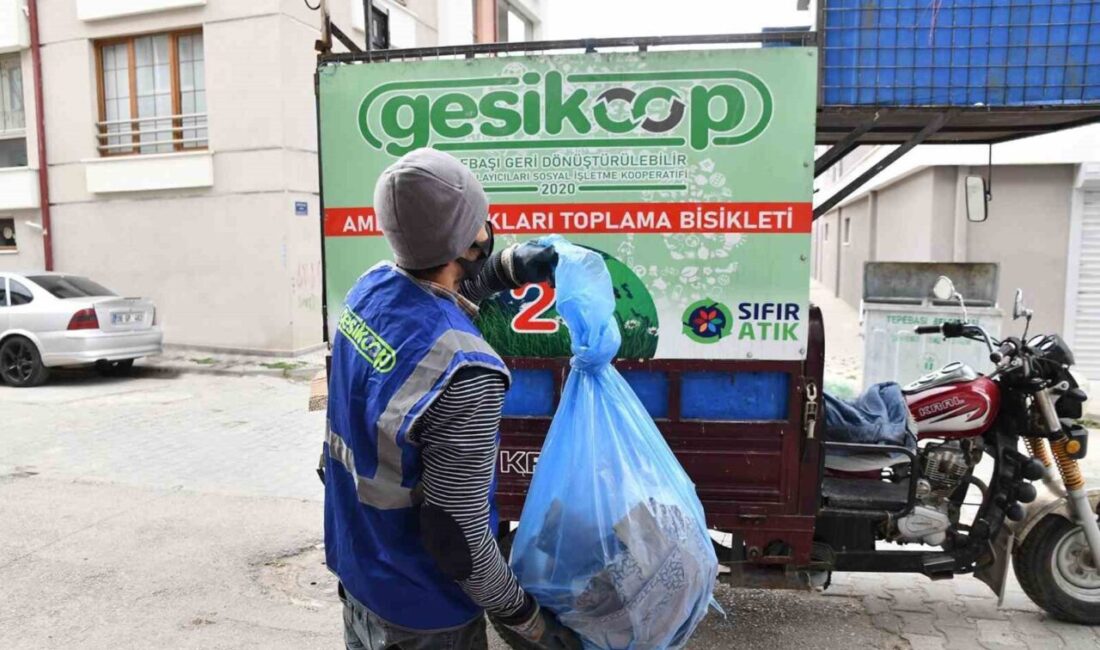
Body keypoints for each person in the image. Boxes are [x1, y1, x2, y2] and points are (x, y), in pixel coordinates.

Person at [324, 148, 582, 650]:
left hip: (360, 571)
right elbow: (456, 535)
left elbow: (429, 292)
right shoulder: (466, 371)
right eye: (481, 224)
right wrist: (525, 616)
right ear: (467, 242)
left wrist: (506, 269)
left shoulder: (367, 292)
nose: (489, 230)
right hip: (423, 614)